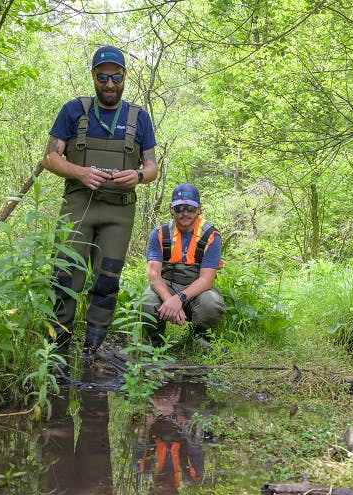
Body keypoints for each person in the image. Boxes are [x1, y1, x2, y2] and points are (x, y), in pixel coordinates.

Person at [43, 45, 158, 357]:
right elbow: (50, 158)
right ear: (93, 76)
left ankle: (92, 348)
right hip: (78, 205)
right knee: (65, 277)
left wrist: (138, 176)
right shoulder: (73, 111)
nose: (110, 84)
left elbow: (152, 167)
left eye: (116, 77)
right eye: (103, 77)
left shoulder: (140, 118)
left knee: (107, 280)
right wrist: (80, 172)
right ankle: (57, 348)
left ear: (124, 78)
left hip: (119, 212)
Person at [140, 183, 225, 348]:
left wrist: (180, 299)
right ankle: (154, 341)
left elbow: (206, 280)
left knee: (211, 303)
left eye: (190, 208)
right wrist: (170, 301)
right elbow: (153, 275)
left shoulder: (211, 236)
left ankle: (201, 341)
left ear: (199, 209)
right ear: (171, 209)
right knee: (148, 299)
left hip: (198, 290)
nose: (185, 213)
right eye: (179, 208)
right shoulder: (158, 234)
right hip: (168, 287)